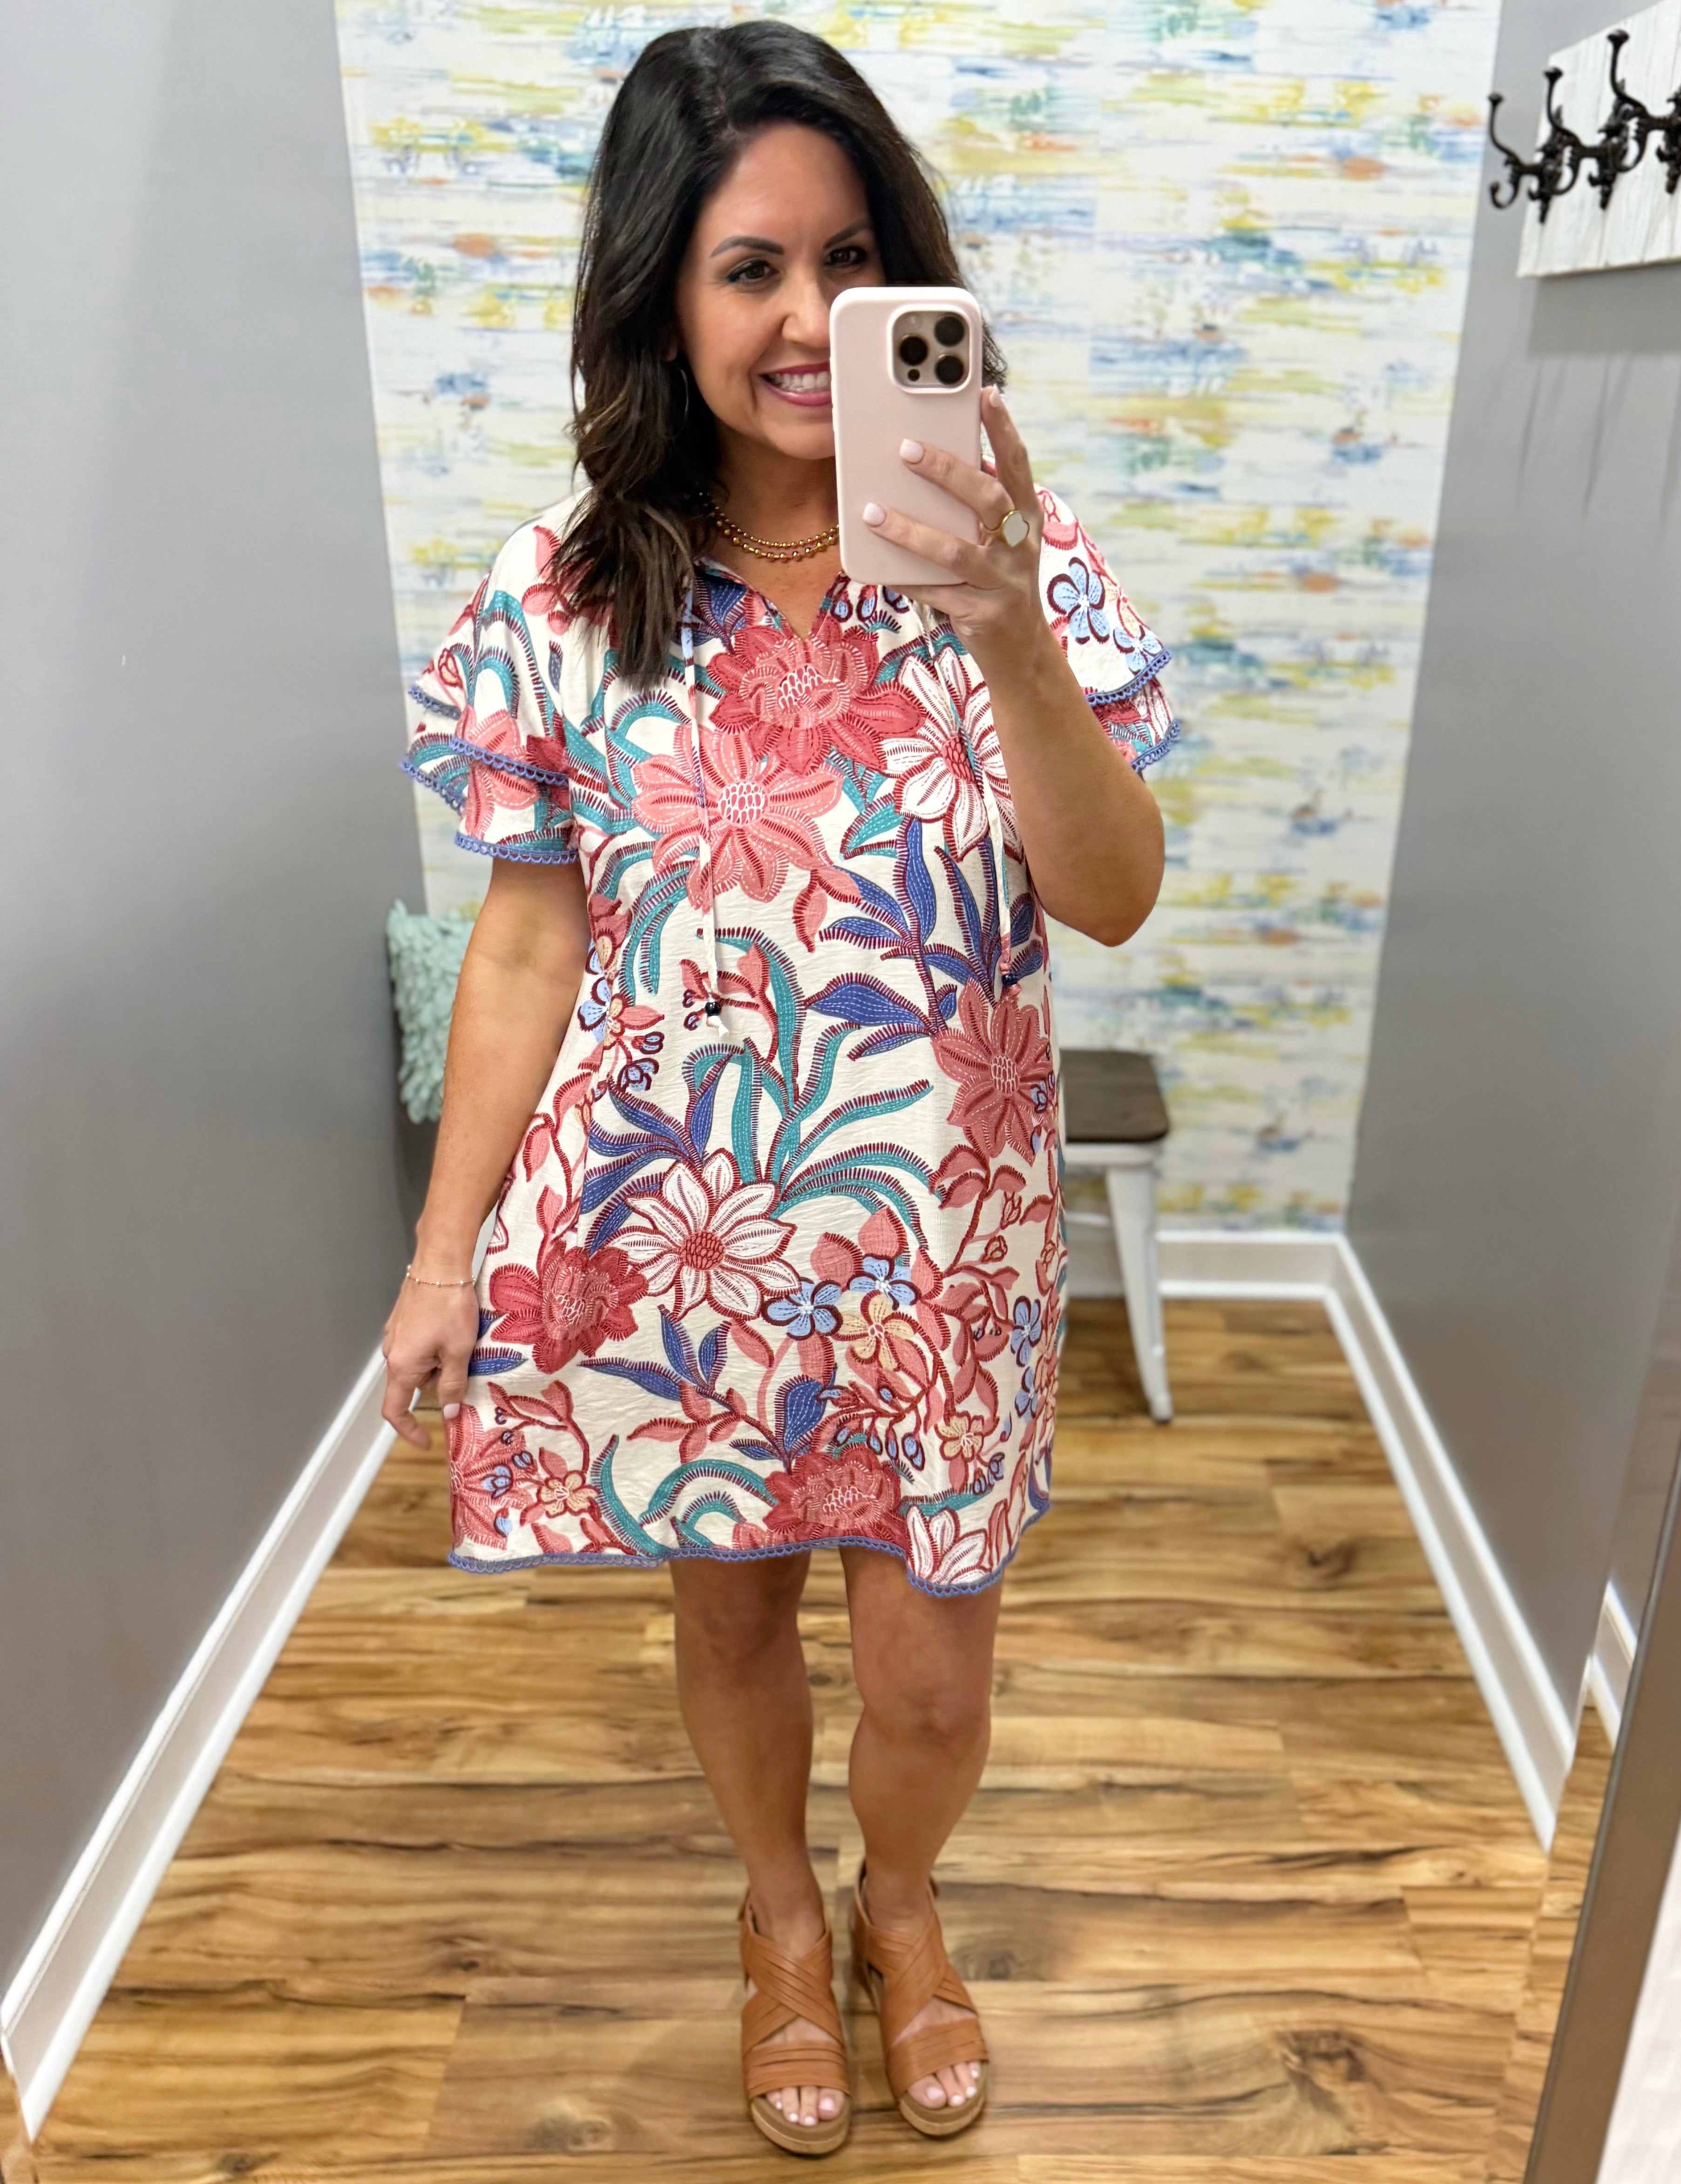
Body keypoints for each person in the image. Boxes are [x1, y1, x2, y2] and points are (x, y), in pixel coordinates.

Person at [381, 18, 1174, 2158]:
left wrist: (1003, 618)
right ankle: (770, 1917)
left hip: (944, 1248)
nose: (809, 322)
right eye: (749, 269)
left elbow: (1105, 898)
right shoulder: (563, 592)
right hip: (677, 1236)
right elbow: (530, 937)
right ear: (661, 291)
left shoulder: (1022, 554)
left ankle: (897, 1904)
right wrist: (445, 1248)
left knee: (931, 1680)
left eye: (851, 263)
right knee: (726, 1621)